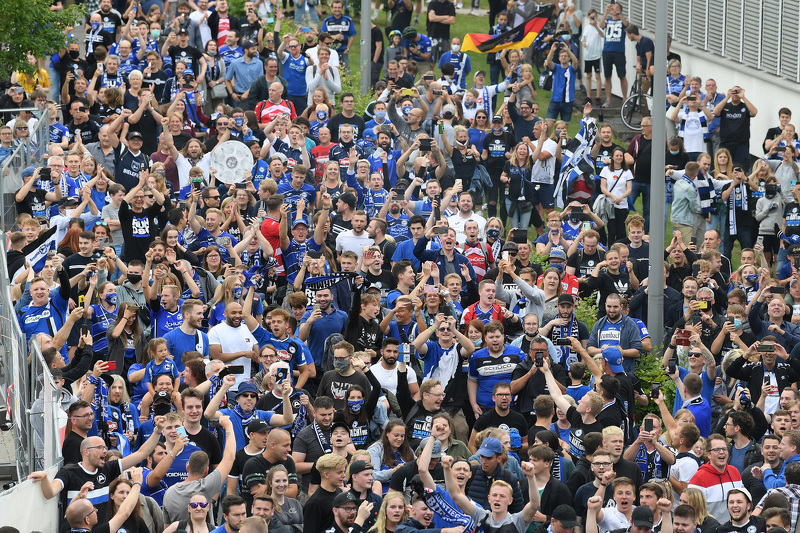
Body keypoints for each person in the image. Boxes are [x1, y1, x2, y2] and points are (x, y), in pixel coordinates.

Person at [687, 433, 744, 522]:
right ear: (709, 454)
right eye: (717, 449)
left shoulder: (735, 472)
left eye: (724, 449)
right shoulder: (698, 479)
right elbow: (692, 512)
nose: (721, 452)